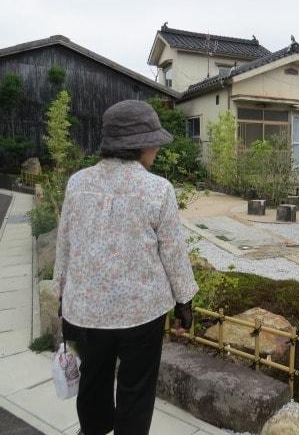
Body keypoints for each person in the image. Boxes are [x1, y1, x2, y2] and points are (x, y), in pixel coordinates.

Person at [54, 100, 198, 435]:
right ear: (140, 145)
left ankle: (93, 429)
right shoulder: (158, 189)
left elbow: (65, 244)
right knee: (136, 388)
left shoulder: (78, 183)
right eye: (154, 143)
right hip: (141, 314)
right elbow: (174, 253)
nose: (157, 150)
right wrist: (184, 304)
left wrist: (62, 293)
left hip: (87, 310)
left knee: (94, 378)